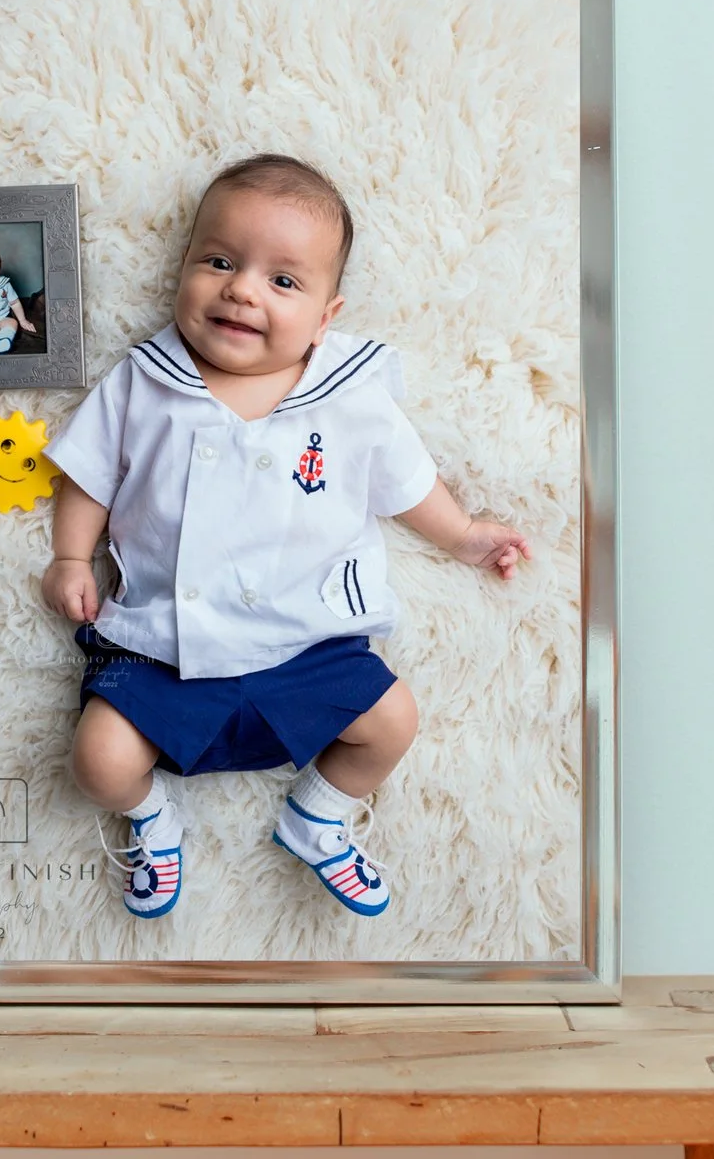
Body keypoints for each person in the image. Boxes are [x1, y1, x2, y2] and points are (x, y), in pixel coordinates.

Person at [41, 155, 530, 919]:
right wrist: (72, 554)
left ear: (326, 316)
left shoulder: (348, 395)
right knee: (98, 762)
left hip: (306, 646)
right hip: (164, 645)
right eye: (219, 262)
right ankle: (150, 819)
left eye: (283, 281)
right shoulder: (145, 380)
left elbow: (407, 482)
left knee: (391, 721)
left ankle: (319, 817)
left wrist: (464, 533)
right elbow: (89, 475)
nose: (241, 289)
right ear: (183, 267)